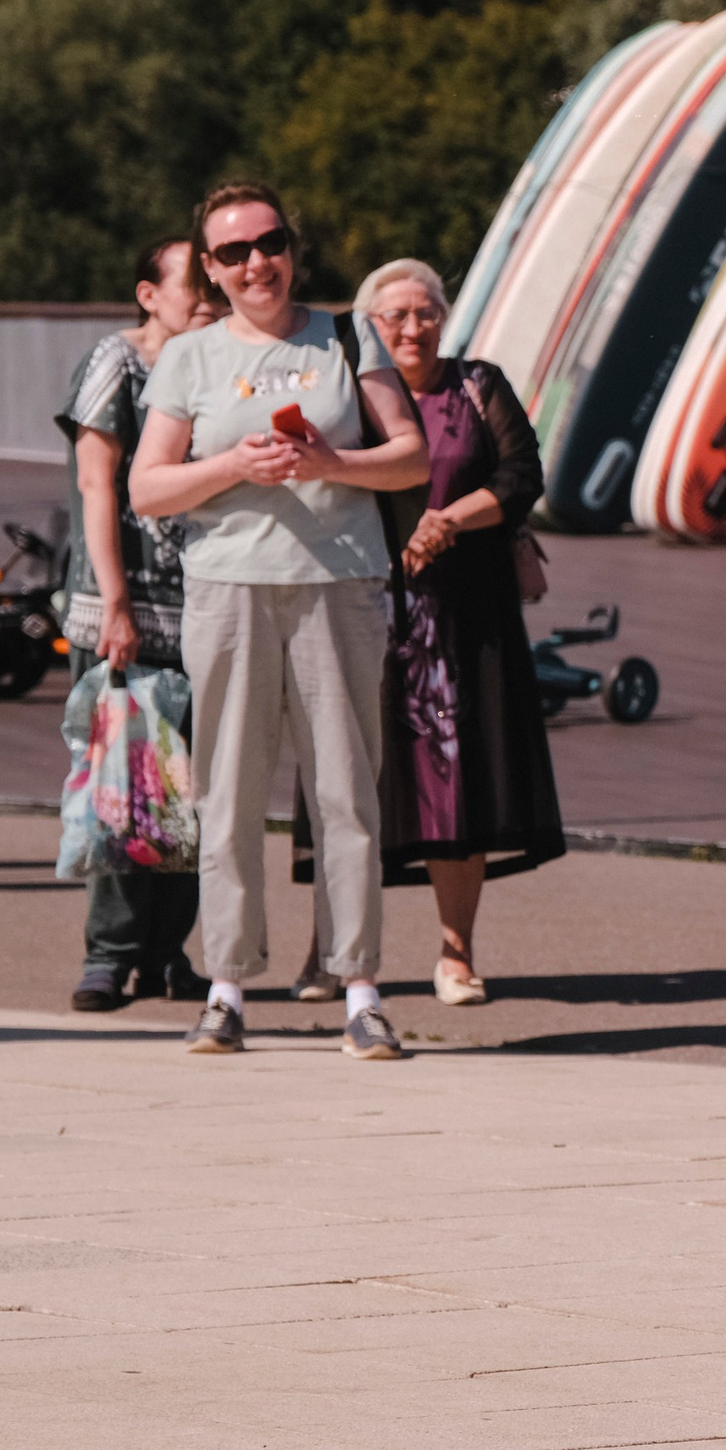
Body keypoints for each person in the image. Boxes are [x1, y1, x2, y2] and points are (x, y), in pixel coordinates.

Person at [130, 181, 429, 1061]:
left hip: (337, 584)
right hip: (227, 588)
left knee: (347, 788)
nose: (256, 262)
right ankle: (225, 986)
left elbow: (409, 456)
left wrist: (331, 460)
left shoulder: (346, 335)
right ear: (211, 270)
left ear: (291, 247)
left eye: (270, 242)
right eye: (232, 252)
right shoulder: (189, 358)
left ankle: (361, 986)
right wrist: (230, 464)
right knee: (228, 788)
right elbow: (148, 486)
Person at [326, 258, 565, 1006]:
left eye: (424, 311)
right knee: (347, 773)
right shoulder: (347, 396)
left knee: (456, 787)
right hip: (367, 607)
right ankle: (328, 952)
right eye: (394, 315)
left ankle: (455, 952)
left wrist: (446, 521)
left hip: (465, 617)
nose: (411, 327)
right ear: (370, 324)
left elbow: (522, 474)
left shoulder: (477, 384)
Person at [58, 238, 219, 1012]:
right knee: (127, 788)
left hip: (204, 608)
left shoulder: (220, 362)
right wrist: (116, 601)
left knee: (188, 795)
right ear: (148, 294)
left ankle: (166, 952)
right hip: (126, 609)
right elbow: (97, 484)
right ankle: (109, 955)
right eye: (193, 281)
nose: (208, 294)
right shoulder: (117, 362)